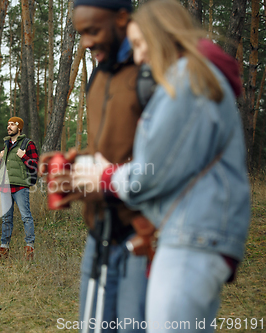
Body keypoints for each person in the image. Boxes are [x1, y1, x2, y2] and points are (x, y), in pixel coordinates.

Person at [68, 1, 250, 332]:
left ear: (161, 36)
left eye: (141, 44)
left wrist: (105, 176)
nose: (139, 58)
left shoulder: (185, 81)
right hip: (189, 235)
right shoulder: (196, 79)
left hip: (189, 238)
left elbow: (153, 172)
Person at [39, 1, 149, 331]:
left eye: (94, 30)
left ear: (122, 18)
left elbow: (165, 159)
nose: (86, 42)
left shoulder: (150, 70)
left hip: (143, 235)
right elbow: (107, 150)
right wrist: (74, 165)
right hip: (98, 232)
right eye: (81, 33)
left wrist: (103, 179)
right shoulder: (99, 76)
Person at [0, 117, 39, 261]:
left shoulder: (28, 143)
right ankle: (4, 250)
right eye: (8, 124)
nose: (9, 127)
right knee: (6, 219)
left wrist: (24, 156)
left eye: (12, 124)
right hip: (5, 186)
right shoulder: (6, 144)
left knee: (26, 217)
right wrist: (1, 157)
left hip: (20, 186)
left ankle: (29, 249)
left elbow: (35, 165)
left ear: (19, 127)